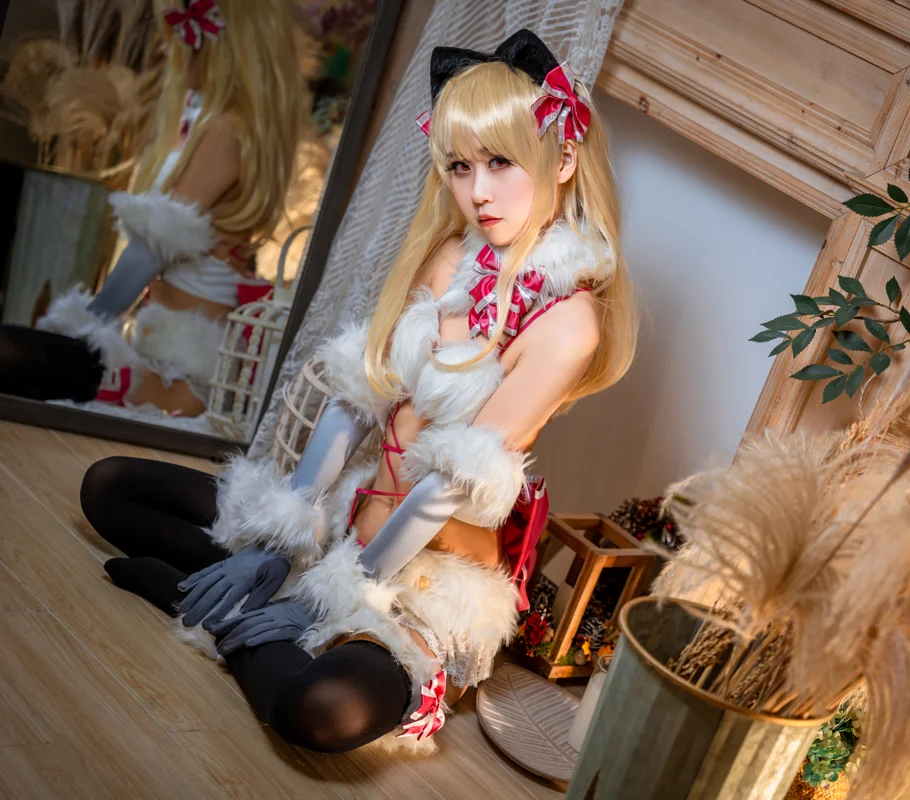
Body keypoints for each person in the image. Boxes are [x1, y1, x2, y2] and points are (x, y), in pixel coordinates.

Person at [83, 29, 637, 753]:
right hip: (348, 518)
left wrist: (331, 593)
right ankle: (252, 603)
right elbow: (362, 392)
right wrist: (285, 534)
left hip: (421, 576)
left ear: (562, 159)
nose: (477, 192)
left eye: (501, 163)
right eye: (460, 166)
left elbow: (449, 483)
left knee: (321, 711)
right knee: (110, 486)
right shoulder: (450, 257)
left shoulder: (569, 325)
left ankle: (208, 608)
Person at [0, 0, 306, 416]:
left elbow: (152, 248)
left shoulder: (226, 131)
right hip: (159, 354)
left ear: (221, 46)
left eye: (182, 41)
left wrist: (81, 322)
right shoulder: (212, 125)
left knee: (13, 354)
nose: (167, 50)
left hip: (175, 373)